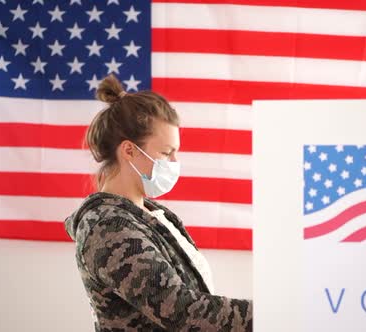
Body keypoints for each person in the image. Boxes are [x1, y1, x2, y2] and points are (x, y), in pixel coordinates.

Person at [64, 75, 253, 331]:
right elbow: (181, 311)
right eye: (166, 153)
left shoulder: (153, 213)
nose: (174, 162)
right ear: (129, 150)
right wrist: (271, 315)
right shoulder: (108, 227)